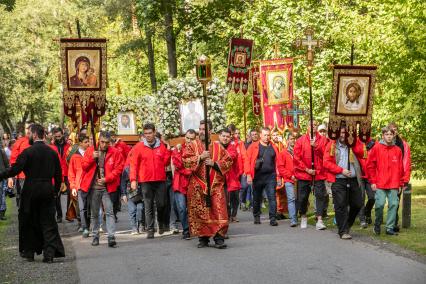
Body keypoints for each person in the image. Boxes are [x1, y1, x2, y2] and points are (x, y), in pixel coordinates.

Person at [0, 123, 64, 263]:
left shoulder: (28, 152)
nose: (28, 136)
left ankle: (29, 252)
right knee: (48, 222)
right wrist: (55, 191)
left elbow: (15, 169)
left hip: (30, 190)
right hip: (47, 189)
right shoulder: (52, 152)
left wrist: (1, 175)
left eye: (29, 133)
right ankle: (49, 254)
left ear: (35, 134)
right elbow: (59, 175)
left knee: (28, 221)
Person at [183, 120, 233, 249]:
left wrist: (214, 163)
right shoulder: (192, 145)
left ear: (210, 131)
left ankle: (219, 238)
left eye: (204, 129)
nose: (201, 131)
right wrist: (200, 157)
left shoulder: (218, 147)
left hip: (216, 186)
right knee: (201, 212)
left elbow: (228, 161)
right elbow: (186, 161)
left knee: (219, 211)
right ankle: (203, 238)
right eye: (200, 129)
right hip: (198, 186)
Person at [81, 131, 124, 247]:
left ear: (110, 142)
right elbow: (84, 167)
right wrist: (91, 158)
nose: (104, 145)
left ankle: (111, 237)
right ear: (99, 140)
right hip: (94, 188)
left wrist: (107, 179)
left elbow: (119, 169)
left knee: (109, 212)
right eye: (102, 142)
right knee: (94, 213)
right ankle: (95, 236)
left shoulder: (115, 152)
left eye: (106, 142)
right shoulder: (91, 150)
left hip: (108, 187)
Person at [130, 123, 171, 239]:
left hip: (160, 179)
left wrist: (168, 150)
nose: (148, 135)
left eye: (150, 133)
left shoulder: (161, 146)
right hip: (145, 180)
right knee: (148, 205)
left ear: (154, 132)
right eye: (146, 133)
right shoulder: (138, 147)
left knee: (161, 204)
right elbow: (133, 164)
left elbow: (166, 163)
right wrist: (133, 180)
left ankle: (161, 223)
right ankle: (150, 230)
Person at [323, 127, 364, 239]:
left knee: (357, 204)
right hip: (338, 179)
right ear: (337, 133)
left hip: (353, 180)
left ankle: (348, 224)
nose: (343, 135)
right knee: (341, 205)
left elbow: (363, 152)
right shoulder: (332, 145)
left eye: (345, 133)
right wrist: (341, 170)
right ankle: (343, 231)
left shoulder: (353, 145)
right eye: (341, 132)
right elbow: (326, 163)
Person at [367, 126, 404, 235]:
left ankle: (389, 228)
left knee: (393, 205)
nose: (389, 136)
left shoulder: (397, 150)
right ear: (383, 136)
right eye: (386, 134)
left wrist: (401, 183)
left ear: (393, 136)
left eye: (391, 134)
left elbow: (401, 168)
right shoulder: (376, 148)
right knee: (379, 205)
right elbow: (370, 166)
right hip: (380, 183)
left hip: (394, 183)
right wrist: (373, 181)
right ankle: (377, 224)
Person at [293, 120, 328, 230]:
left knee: (320, 196)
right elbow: (296, 158)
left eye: (315, 125)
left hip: (318, 173)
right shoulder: (300, 140)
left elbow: (326, 155)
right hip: (304, 174)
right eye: (311, 125)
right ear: (307, 127)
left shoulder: (323, 140)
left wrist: (316, 146)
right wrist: (306, 169)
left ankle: (320, 219)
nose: (313, 127)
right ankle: (303, 215)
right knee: (302, 197)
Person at [245, 127, 280, 226]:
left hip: (271, 176)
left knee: (272, 197)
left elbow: (278, 162)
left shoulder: (273, 146)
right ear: (260, 135)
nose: (267, 137)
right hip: (258, 176)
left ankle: (273, 218)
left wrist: (279, 176)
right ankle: (256, 216)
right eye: (265, 135)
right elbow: (247, 160)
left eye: (268, 135)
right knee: (257, 198)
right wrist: (248, 174)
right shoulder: (253, 146)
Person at [171, 129, 196, 240]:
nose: (189, 140)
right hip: (180, 182)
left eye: (192, 138)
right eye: (187, 138)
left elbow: (197, 164)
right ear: (184, 137)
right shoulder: (178, 148)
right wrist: (189, 170)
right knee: (181, 208)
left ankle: (194, 228)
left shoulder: (197, 149)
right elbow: (178, 164)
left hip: (193, 182)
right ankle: (186, 229)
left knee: (193, 207)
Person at [388, 122, 411, 232]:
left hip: (397, 177)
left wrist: (405, 180)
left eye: (395, 129)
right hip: (385, 176)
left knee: (395, 201)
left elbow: (406, 162)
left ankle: (393, 223)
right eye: (391, 129)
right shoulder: (382, 144)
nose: (393, 131)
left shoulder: (404, 145)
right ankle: (383, 222)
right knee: (381, 202)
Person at [68, 134, 90, 237]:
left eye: (88, 141)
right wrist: (73, 187)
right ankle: (84, 226)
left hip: (90, 184)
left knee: (90, 206)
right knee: (81, 207)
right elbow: (71, 173)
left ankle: (90, 225)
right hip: (79, 185)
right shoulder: (74, 156)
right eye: (86, 142)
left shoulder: (91, 153)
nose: (88, 144)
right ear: (80, 143)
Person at [49, 127, 72, 223]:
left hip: (68, 173)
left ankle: (69, 214)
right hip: (56, 174)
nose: (58, 138)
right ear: (54, 136)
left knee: (70, 194)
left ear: (63, 134)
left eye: (60, 135)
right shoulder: (50, 147)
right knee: (56, 195)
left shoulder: (69, 147)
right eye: (56, 136)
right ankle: (59, 215)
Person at [218, 128, 240, 222]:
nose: (225, 138)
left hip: (231, 177)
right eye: (223, 136)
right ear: (219, 136)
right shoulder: (215, 146)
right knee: (225, 200)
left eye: (227, 136)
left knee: (235, 197)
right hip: (219, 177)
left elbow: (231, 156)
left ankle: (233, 214)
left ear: (230, 137)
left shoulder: (232, 147)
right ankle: (226, 217)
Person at [121, 148, 145, 235]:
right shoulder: (126, 169)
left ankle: (141, 225)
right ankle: (134, 228)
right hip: (130, 192)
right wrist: (123, 194)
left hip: (141, 192)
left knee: (140, 209)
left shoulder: (142, 167)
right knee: (132, 211)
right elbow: (123, 182)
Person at [9, 121, 32, 208]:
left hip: (36, 176)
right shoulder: (19, 142)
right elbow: (13, 160)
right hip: (22, 176)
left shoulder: (39, 142)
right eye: (27, 128)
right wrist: (11, 176)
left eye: (31, 128)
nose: (29, 131)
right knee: (22, 198)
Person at [271, 128, 288, 220]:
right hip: (274, 172)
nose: (275, 137)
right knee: (276, 193)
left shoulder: (282, 143)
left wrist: (284, 143)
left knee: (282, 193)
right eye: (273, 135)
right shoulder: (270, 145)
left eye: (277, 135)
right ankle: (276, 211)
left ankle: (281, 211)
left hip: (282, 170)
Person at [0, 146, 11, 220]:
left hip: (2, 176)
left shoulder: (1, 151)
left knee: (2, 195)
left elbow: (7, 164)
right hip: (2, 175)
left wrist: (9, 176)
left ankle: (2, 212)